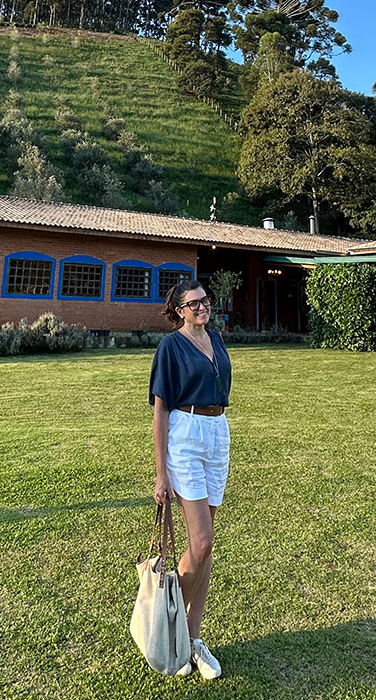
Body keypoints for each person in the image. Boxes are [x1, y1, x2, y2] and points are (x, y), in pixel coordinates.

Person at [149, 280, 232, 681]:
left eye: (206, 301)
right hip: (185, 433)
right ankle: (167, 631)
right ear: (179, 310)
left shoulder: (215, 338)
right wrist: (161, 471)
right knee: (200, 542)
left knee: (205, 549)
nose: (203, 307)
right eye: (194, 303)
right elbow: (161, 411)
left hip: (218, 432)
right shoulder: (171, 347)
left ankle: (193, 640)